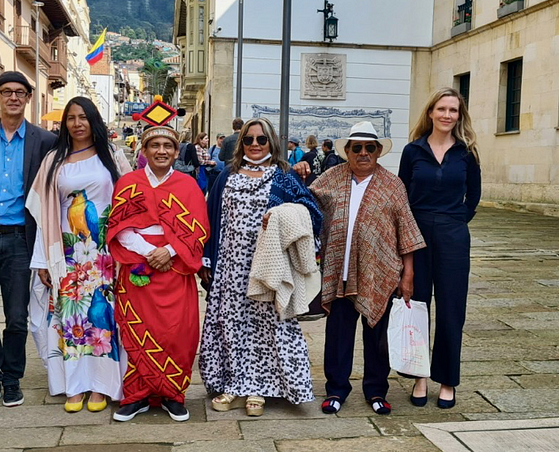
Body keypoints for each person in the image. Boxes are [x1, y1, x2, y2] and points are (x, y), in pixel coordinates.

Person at [199, 118, 323, 417]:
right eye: (249, 140)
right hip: (230, 267)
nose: (255, 145)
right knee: (231, 324)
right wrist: (206, 258)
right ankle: (233, 382)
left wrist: (283, 213)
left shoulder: (282, 176)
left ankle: (259, 386)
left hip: (267, 265)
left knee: (266, 326)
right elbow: (209, 219)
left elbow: (314, 213)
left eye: (261, 140)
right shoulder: (226, 176)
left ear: (272, 143)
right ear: (240, 144)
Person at [308, 121, 425, 416]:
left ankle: (376, 390)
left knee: (377, 336)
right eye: (356, 147)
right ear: (347, 151)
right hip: (340, 274)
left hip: (379, 274)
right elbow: (305, 204)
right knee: (338, 335)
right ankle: (336, 390)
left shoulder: (392, 185)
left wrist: (407, 275)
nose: (363, 153)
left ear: (377, 152)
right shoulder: (331, 178)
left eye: (369, 148)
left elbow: (406, 232)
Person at [26, 96, 131, 413]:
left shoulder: (111, 156)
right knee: (71, 318)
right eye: (71, 117)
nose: (77, 123)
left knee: (102, 320)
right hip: (67, 254)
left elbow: (130, 198)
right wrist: (43, 260)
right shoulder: (54, 160)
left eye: (83, 117)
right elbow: (44, 213)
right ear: (65, 123)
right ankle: (73, 385)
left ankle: (101, 385)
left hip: (104, 254)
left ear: (93, 120)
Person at [0, 71, 57, 411]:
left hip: (22, 239)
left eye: (20, 92)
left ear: (28, 98)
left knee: (17, 317)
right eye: (7, 92)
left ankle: (12, 380)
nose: (13, 98)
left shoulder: (43, 140)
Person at [107, 124, 209, 422]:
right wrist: (148, 252)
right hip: (137, 266)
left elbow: (199, 229)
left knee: (177, 333)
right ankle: (137, 395)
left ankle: (173, 394)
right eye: (155, 145)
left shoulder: (188, 186)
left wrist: (170, 251)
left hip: (175, 268)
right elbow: (118, 226)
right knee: (138, 332)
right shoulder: (128, 183)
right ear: (145, 151)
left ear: (177, 152)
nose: (161, 151)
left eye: (168, 146)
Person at [399, 88, 481, 409]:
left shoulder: (466, 153)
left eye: (454, 110)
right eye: (442, 109)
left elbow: (473, 196)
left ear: (459, 116)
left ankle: (447, 381)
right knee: (417, 306)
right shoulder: (412, 151)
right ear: (430, 112)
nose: (448, 115)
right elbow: (402, 194)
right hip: (417, 234)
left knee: (451, 309)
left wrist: (455, 222)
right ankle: (420, 376)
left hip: (452, 235)